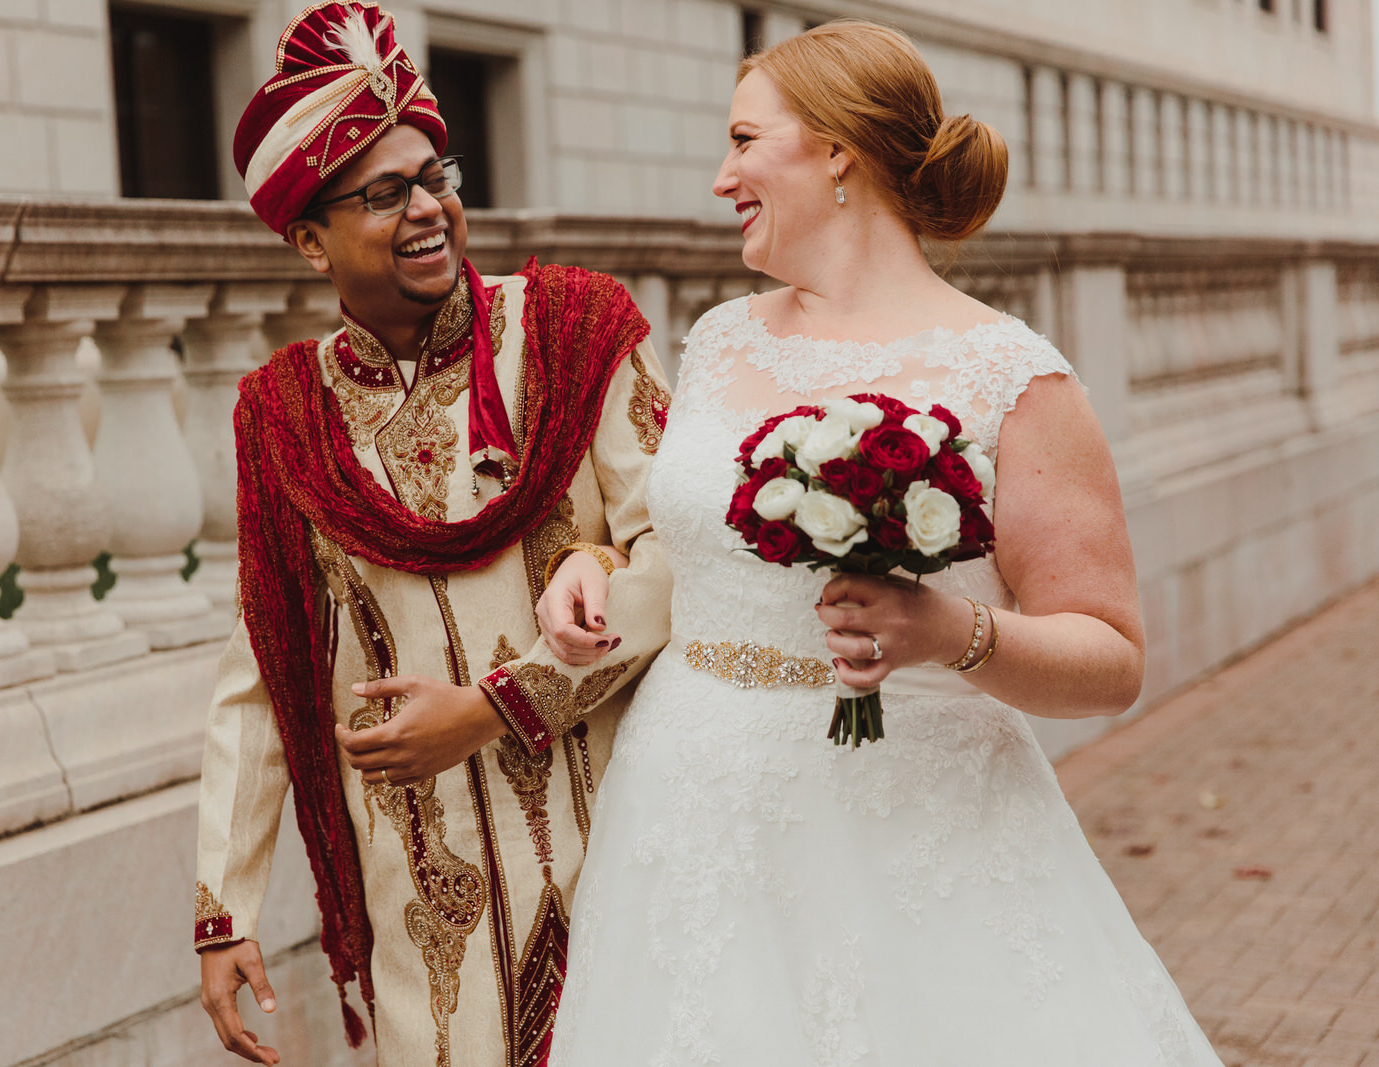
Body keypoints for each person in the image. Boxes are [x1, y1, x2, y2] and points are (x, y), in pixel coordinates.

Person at [540, 19, 1225, 1066]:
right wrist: (591, 564)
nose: (721, 175)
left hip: (918, 837)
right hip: (690, 808)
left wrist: (948, 628)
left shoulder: (1011, 375)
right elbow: (686, 544)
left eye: (741, 140)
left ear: (833, 151)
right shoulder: (721, 337)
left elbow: (1110, 659)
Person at [192, 3, 674, 1064]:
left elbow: (682, 552)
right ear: (309, 239)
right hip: (422, 889)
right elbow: (264, 663)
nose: (427, 209)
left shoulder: (570, 333)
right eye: (383, 192)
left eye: (436, 177)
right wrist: (224, 908)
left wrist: (499, 705)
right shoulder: (286, 414)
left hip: (623, 834)